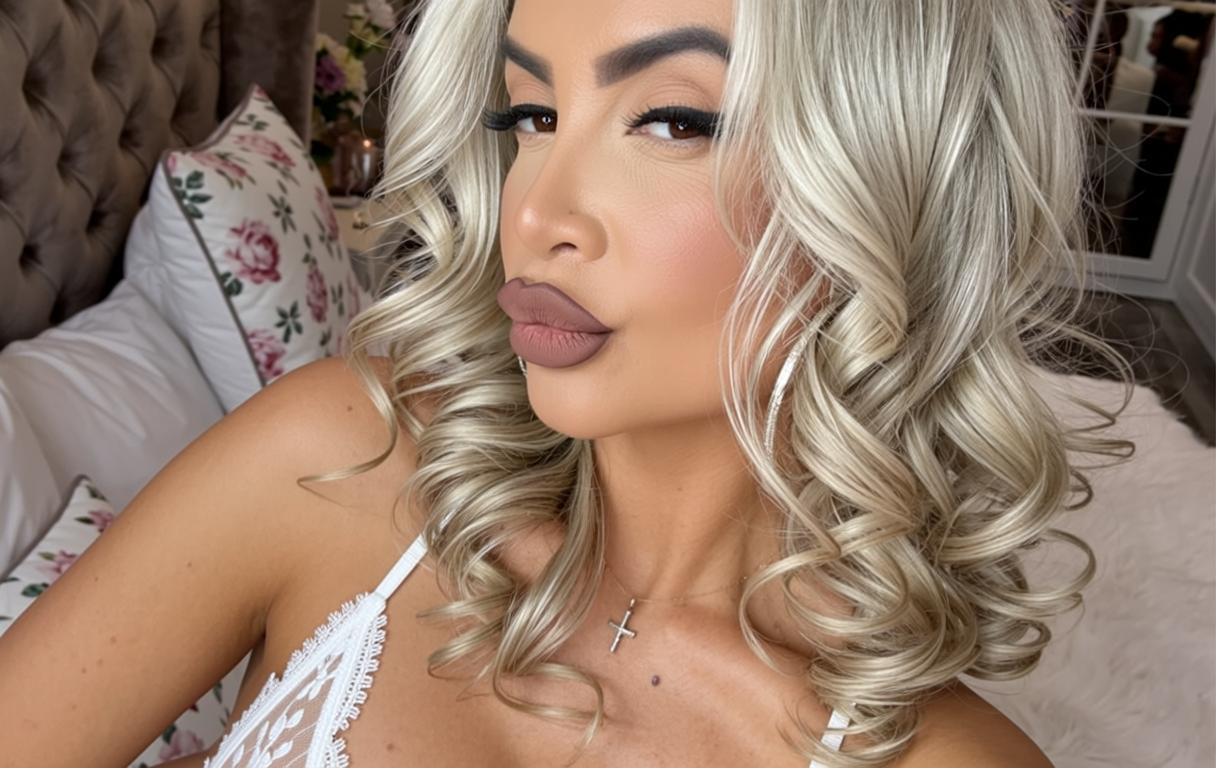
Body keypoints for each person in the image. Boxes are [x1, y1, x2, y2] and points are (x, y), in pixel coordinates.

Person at [0, 0, 1136, 766]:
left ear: (893, 184)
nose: (536, 210)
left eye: (672, 121)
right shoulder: (339, 462)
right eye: (532, 116)